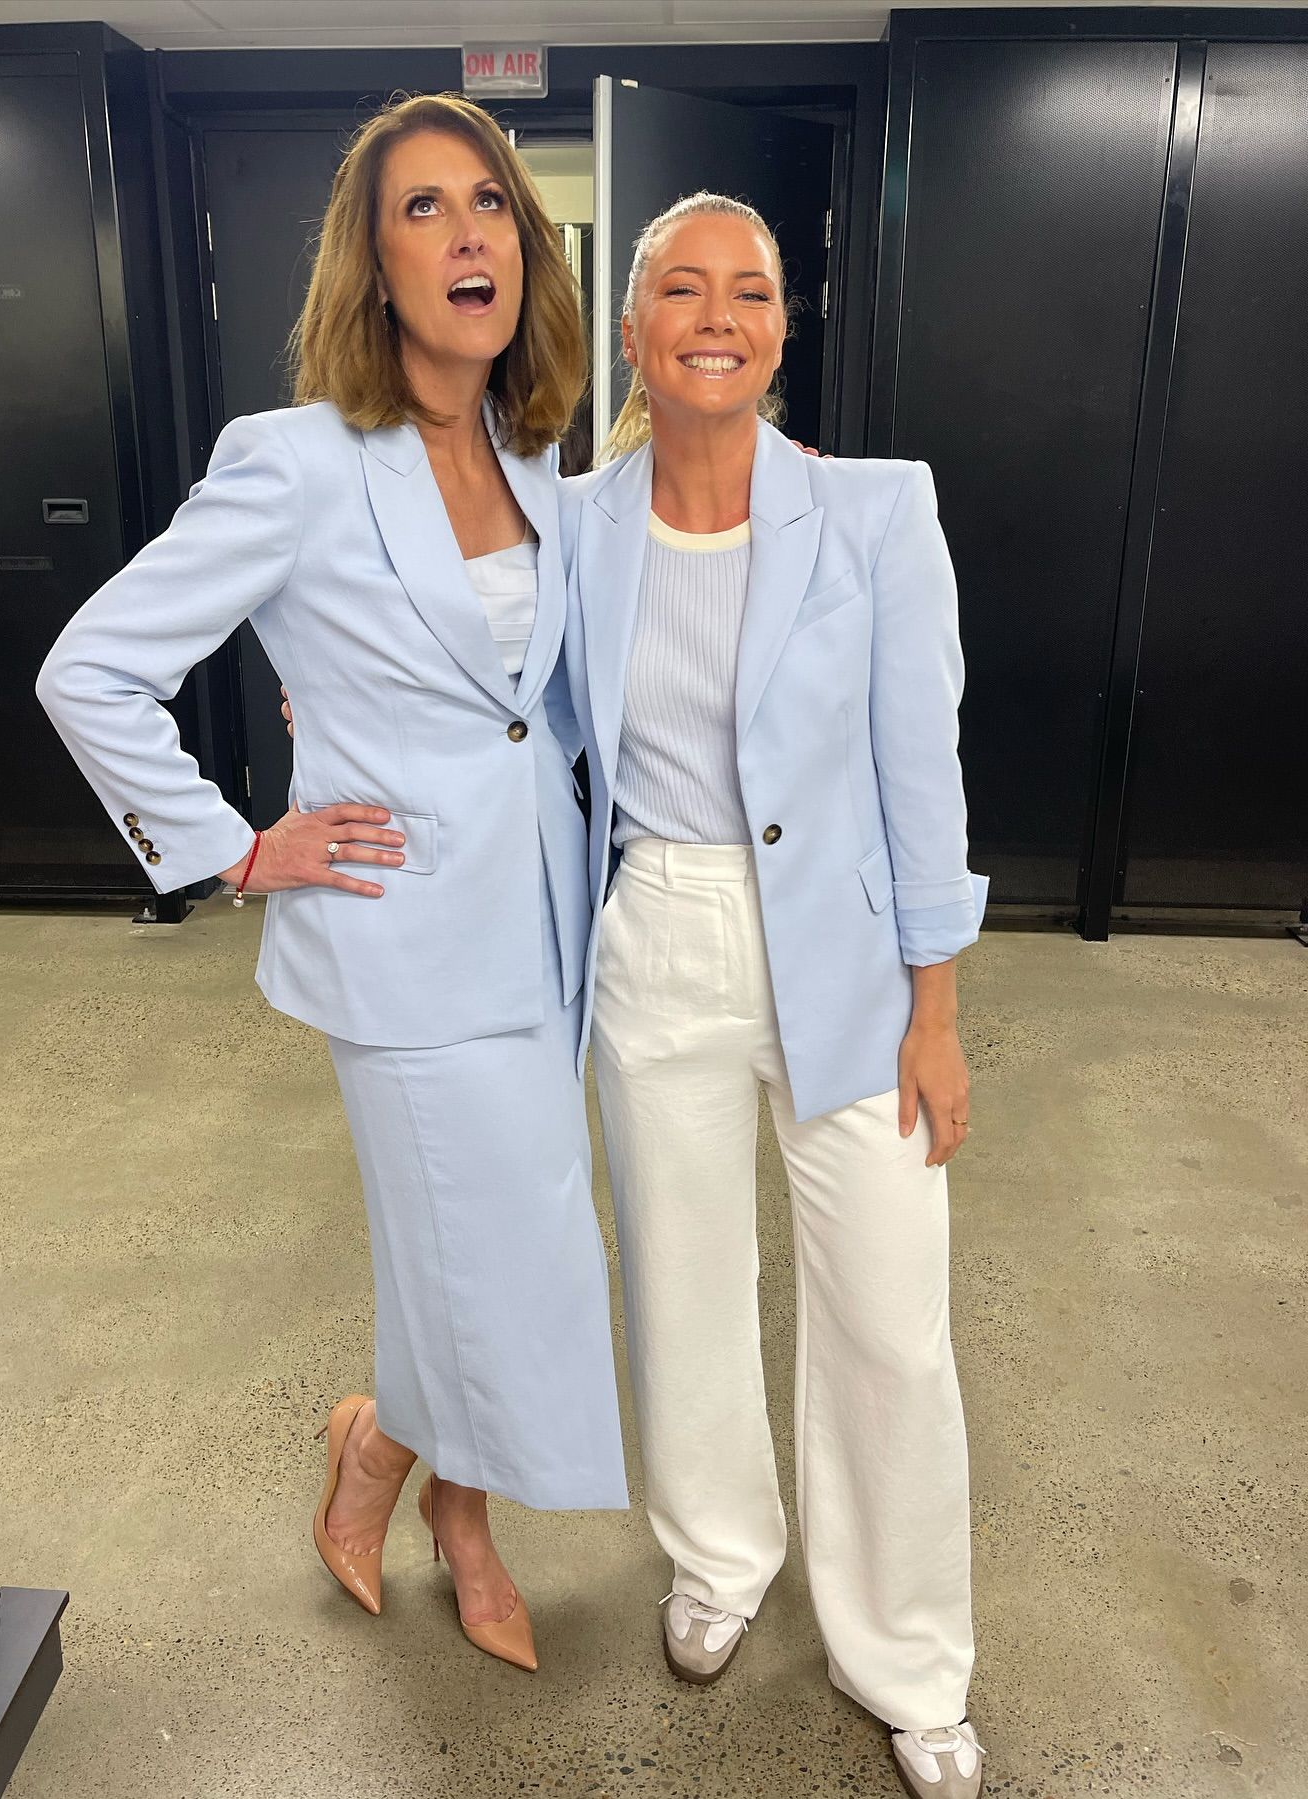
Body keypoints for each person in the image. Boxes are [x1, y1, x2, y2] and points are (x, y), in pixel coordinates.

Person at [35, 94, 628, 1676]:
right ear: (373, 264)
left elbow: (538, 698)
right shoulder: (295, 463)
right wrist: (232, 847)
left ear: (528, 249)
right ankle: (447, 1509)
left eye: (491, 203)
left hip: (546, 930)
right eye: (424, 208)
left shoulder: (536, 453)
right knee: (493, 1254)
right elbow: (90, 670)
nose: (467, 233)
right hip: (403, 939)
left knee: (487, 1245)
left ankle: (388, 1453)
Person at [558, 192, 990, 1798]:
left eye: (749, 291)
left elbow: (922, 773)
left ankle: (909, 1657)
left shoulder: (874, 512)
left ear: (782, 328)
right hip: (655, 934)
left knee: (889, 1318)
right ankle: (719, 1556)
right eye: (683, 289)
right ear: (634, 330)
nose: (717, 317)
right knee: (682, 1285)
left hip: (846, 954)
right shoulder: (572, 524)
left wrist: (936, 1011)